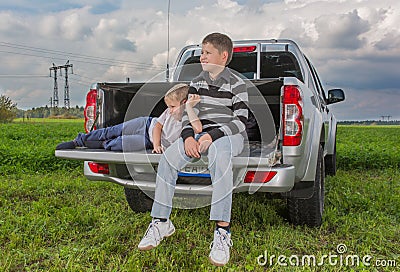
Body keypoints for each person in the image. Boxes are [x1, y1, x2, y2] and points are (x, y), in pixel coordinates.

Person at [138, 33, 248, 267]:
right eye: (201, 52)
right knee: (168, 159)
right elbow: (190, 115)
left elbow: (242, 121)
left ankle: (222, 232)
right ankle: (161, 222)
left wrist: (212, 135)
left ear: (223, 55)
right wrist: (188, 138)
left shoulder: (238, 84)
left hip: (228, 134)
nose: (202, 57)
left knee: (220, 157)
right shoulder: (197, 81)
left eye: (207, 53)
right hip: (198, 133)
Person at [56, 83, 198, 153]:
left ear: (185, 103)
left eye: (173, 107)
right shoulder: (168, 112)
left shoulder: (191, 118)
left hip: (146, 141)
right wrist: (157, 145)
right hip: (146, 125)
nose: (170, 110)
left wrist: (190, 108)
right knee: (113, 131)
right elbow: (158, 127)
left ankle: (100, 143)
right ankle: (78, 141)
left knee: (118, 143)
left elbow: (197, 128)